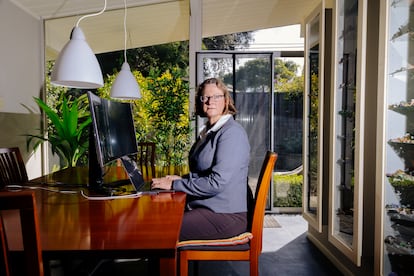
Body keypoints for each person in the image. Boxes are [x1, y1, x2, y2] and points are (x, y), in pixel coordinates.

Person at [151, 77, 250, 241]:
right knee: (157, 215)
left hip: (225, 215)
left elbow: (216, 182)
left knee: (163, 227)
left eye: (216, 96)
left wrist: (175, 184)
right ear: (200, 101)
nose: (210, 101)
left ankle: (166, 266)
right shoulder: (209, 131)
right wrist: (182, 179)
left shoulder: (231, 134)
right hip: (207, 207)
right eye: (205, 97)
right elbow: (204, 173)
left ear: (226, 101)